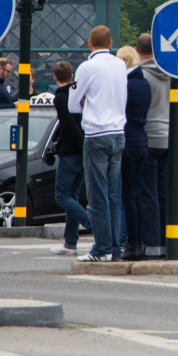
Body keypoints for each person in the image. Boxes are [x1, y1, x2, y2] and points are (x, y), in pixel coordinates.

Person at [70, 26, 128, 262]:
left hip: (96, 135)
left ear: (89, 43)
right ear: (111, 43)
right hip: (118, 134)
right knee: (114, 194)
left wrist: (87, 102)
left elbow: (72, 105)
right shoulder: (120, 65)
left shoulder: (87, 67)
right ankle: (115, 247)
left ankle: (101, 247)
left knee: (97, 196)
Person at [49, 61, 90, 256]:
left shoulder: (60, 98)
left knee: (62, 196)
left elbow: (68, 125)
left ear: (55, 77)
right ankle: (70, 242)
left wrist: (80, 144)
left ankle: (92, 223)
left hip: (70, 152)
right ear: (72, 75)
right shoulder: (79, 94)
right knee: (73, 196)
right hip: (83, 152)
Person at [137, 34, 171, 258]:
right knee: (164, 194)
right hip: (169, 140)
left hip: (148, 138)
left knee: (147, 194)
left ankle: (151, 245)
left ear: (138, 51)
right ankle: (168, 244)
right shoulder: (170, 76)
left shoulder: (141, 76)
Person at [119, 49, 151, 259]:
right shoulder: (144, 84)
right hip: (142, 139)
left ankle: (131, 243)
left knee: (127, 195)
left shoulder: (126, 85)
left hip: (128, 139)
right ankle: (139, 241)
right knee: (138, 194)